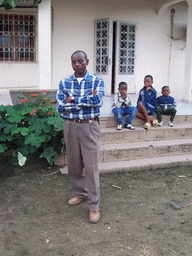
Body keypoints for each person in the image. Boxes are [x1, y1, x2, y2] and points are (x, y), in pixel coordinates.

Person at [57, 50, 104, 224]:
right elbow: (60, 106)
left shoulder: (96, 80)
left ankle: (94, 206)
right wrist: (84, 100)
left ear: (87, 62)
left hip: (89, 126)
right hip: (70, 126)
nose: (77, 64)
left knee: (91, 168)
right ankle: (81, 194)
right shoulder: (64, 81)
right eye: (74, 61)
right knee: (74, 165)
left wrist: (72, 100)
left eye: (80, 61)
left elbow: (98, 100)